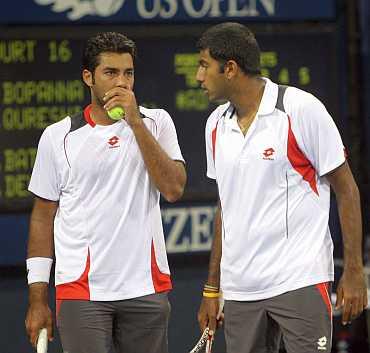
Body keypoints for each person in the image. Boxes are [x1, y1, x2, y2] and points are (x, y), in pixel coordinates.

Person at [196, 22, 367, 353]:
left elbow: (346, 190)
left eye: (204, 65)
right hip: (241, 290)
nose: (199, 77)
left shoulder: (300, 109)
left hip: (299, 280)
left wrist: (355, 271)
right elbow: (225, 208)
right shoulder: (214, 125)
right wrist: (212, 288)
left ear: (230, 68)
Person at [25, 31, 186, 353]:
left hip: (146, 287)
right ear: (89, 77)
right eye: (110, 73)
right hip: (81, 291)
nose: (122, 83)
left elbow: (173, 189)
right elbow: (43, 218)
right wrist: (38, 299)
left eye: (128, 73)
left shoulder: (157, 123)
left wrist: (135, 123)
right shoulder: (58, 137)